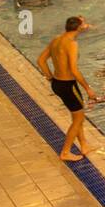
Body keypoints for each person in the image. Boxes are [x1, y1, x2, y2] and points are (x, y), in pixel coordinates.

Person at [37, 16, 97, 161]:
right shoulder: (72, 44)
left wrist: (50, 77)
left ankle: (84, 145)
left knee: (76, 115)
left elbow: (40, 60)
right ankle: (65, 152)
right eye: (83, 24)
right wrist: (88, 88)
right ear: (78, 28)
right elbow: (74, 70)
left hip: (57, 83)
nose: (85, 26)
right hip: (68, 86)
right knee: (78, 118)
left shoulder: (56, 40)